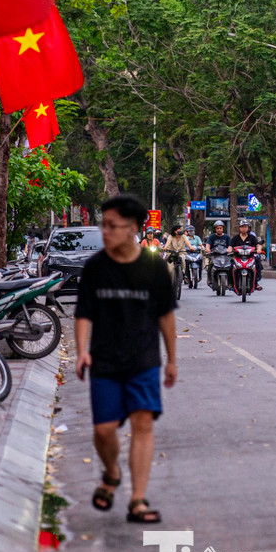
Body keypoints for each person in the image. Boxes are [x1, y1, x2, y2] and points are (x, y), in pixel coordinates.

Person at [75, 194, 178, 525]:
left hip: (144, 359)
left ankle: (138, 499)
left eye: (112, 226)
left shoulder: (155, 268)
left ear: (133, 228)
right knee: (104, 430)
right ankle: (112, 471)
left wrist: (172, 359)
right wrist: (81, 351)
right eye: (103, 225)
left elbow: (165, 316)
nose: (105, 232)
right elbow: (83, 314)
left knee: (142, 425)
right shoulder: (95, 268)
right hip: (104, 360)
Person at [230, 220, 263, 291]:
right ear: (239, 228)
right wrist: (229, 250)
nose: (244, 228)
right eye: (242, 227)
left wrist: (259, 249)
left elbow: (258, 245)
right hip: (238, 258)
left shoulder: (252, 237)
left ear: (248, 228)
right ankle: (232, 283)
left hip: (250, 257)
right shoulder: (236, 238)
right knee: (230, 265)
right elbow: (231, 246)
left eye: (245, 227)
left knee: (257, 262)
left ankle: (256, 282)